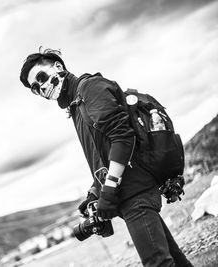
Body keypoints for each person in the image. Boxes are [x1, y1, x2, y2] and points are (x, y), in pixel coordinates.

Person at [19, 47, 193, 267]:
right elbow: (103, 155)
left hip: (136, 192)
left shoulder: (90, 88)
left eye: (41, 77)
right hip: (130, 192)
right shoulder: (76, 105)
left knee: (158, 263)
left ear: (58, 67)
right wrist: (95, 192)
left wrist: (110, 188)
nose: (41, 87)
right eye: (35, 88)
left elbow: (122, 136)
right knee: (175, 260)